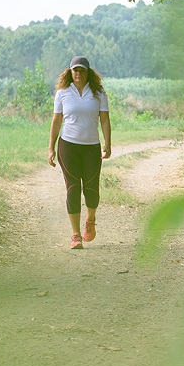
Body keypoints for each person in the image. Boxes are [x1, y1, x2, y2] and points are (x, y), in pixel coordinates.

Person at [48, 56, 112, 249]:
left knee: (91, 191)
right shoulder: (62, 93)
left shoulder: (99, 93)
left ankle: (90, 219)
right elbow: (57, 121)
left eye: (82, 70)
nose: (78, 73)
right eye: (75, 70)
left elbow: (105, 120)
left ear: (88, 72)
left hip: (91, 147)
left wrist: (107, 144)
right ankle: (76, 235)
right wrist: (51, 147)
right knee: (73, 188)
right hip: (68, 146)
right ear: (70, 72)